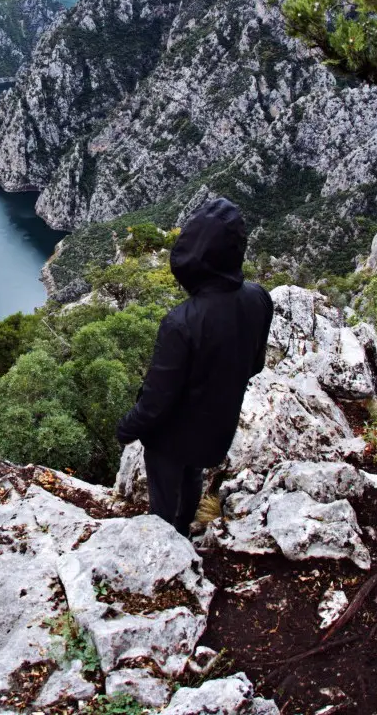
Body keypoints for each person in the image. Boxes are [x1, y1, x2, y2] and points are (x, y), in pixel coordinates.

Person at [116, 197, 273, 536]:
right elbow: (255, 364)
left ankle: (166, 548)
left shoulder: (181, 323)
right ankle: (185, 530)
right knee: (192, 479)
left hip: (169, 439)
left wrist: (126, 429)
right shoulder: (259, 298)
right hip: (215, 431)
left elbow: (156, 402)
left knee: (163, 499)